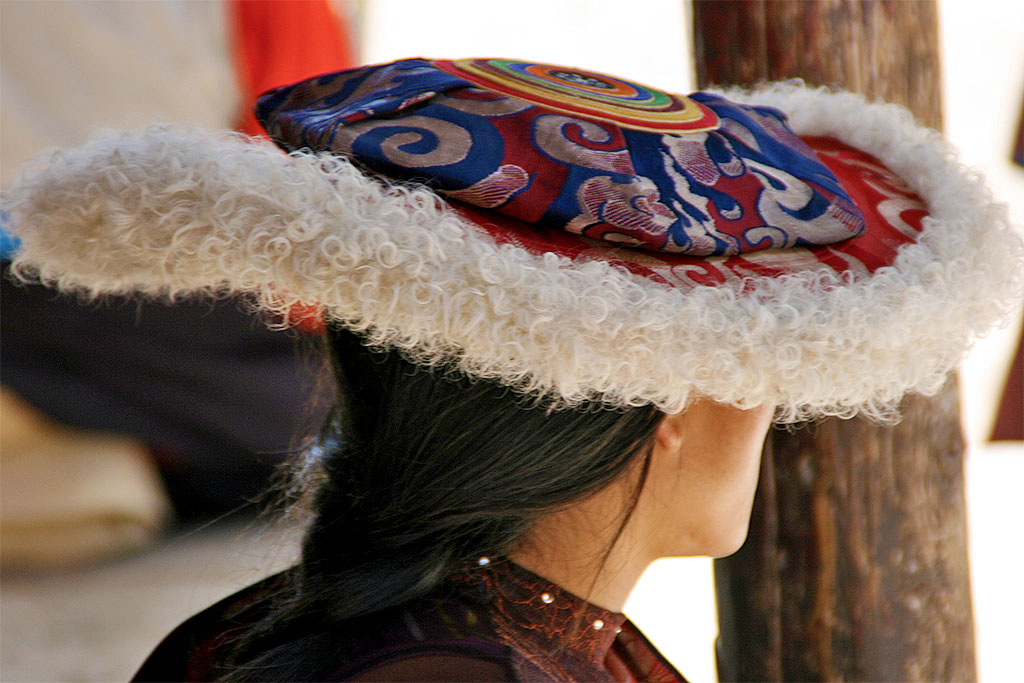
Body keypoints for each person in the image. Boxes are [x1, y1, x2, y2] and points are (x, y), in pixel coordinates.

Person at [4, 58, 1020, 681]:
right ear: (672, 392)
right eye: (750, 357)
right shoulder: (469, 663)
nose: (766, 409)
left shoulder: (303, 624)